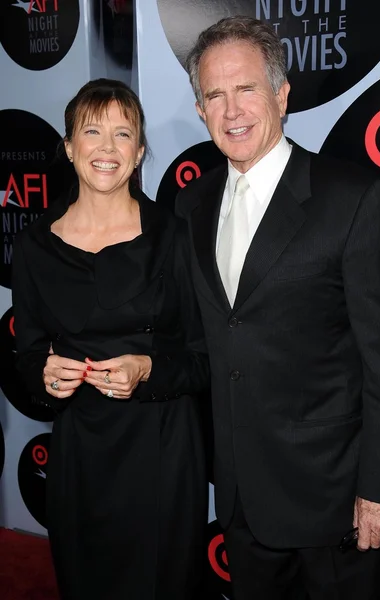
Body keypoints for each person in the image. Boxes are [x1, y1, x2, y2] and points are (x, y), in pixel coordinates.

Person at [176, 15, 380, 600]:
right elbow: (208, 342)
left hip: (337, 509)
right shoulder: (192, 207)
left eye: (246, 89)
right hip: (242, 505)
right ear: (200, 110)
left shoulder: (353, 199)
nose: (232, 111)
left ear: (281, 94)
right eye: (214, 96)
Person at [12, 78, 209, 600]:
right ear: (69, 145)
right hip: (82, 453)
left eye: (123, 134)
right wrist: (44, 375)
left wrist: (146, 369)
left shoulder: (174, 235)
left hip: (163, 446)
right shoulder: (34, 247)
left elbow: (203, 358)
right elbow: (27, 356)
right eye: (91, 131)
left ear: (140, 151)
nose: (106, 148)